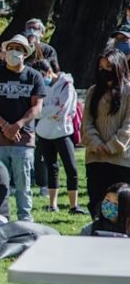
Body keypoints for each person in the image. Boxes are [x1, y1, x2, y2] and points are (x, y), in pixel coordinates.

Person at [0, 33, 46, 222]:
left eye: (18, 49)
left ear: (25, 53)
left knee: (23, 182)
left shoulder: (34, 76)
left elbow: (37, 106)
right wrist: (5, 125)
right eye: (11, 48)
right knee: (0, 182)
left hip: (23, 138)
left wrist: (17, 125)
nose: (14, 52)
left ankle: (25, 219)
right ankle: (0, 217)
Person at [30, 60, 85, 214]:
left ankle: (73, 205)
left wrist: (46, 111)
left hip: (63, 132)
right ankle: (52, 204)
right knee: (51, 168)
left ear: (49, 72)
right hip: (45, 133)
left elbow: (63, 110)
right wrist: (49, 111)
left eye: (42, 76)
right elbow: (36, 109)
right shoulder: (41, 86)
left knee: (71, 168)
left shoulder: (66, 85)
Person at [83, 48, 130, 216]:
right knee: (97, 204)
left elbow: (128, 126)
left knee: (121, 208)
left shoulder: (128, 92)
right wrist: (97, 144)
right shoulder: (92, 92)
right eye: (101, 67)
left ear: (119, 67)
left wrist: (111, 146)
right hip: (96, 158)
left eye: (109, 67)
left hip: (121, 160)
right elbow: (86, 124)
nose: (105, 71)